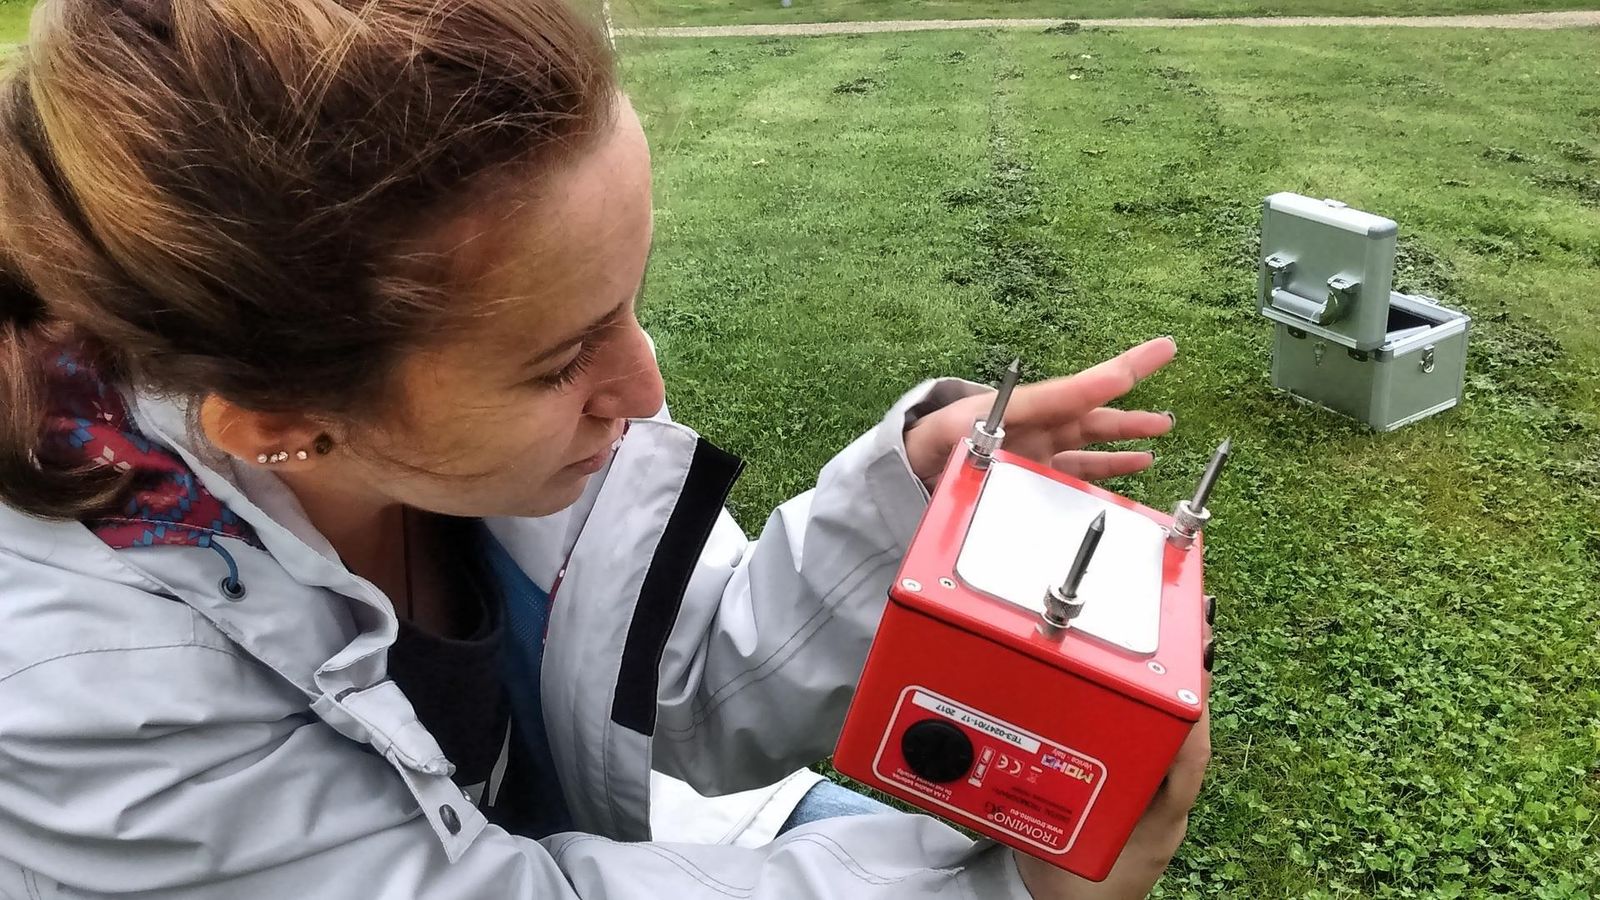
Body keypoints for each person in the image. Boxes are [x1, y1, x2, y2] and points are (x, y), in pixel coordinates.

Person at [0, 0, 1208, 897]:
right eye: (559, 360)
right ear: (283, 426)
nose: (643, 390)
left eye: (628, 304)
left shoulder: (487, 426)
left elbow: (690, 681)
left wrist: (905, 497)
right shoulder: (85, 687)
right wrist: (1005, 890)